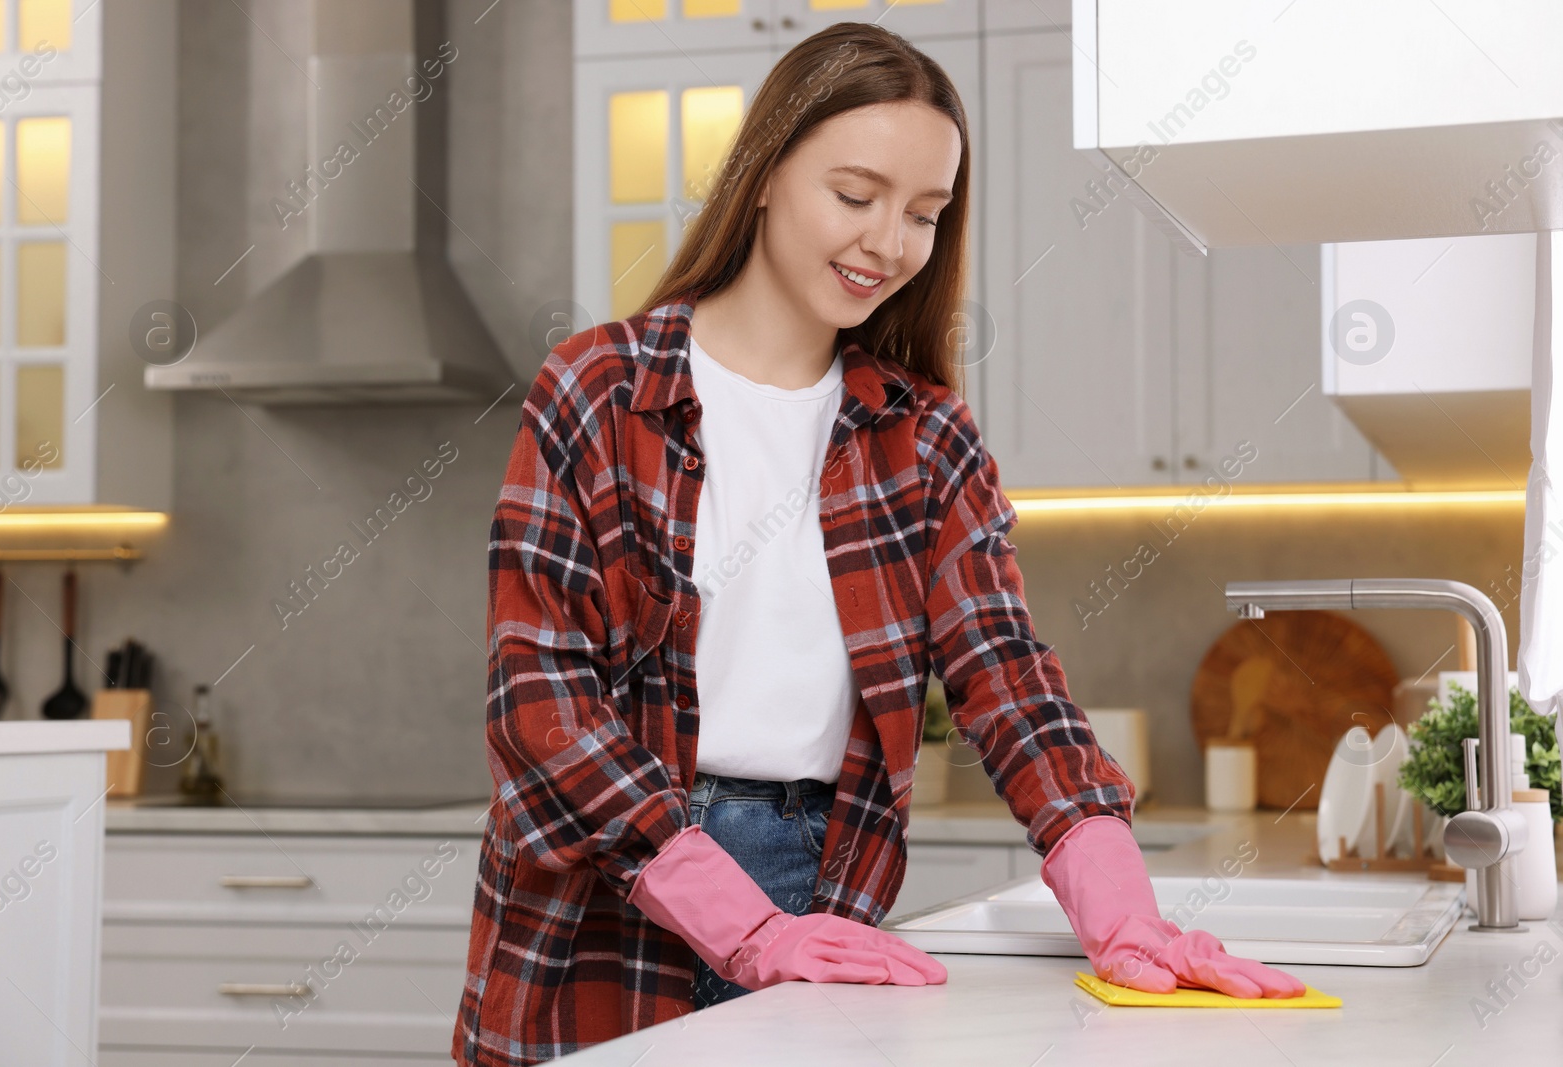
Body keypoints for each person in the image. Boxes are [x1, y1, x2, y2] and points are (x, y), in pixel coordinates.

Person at [453, 21, 1304, 1067]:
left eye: (923, 214)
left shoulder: (925, 435)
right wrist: (734, 917)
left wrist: (1119, 902)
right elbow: (539, 696)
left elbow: (1006, 675)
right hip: (609, 892)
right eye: (854, 197)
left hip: (824, 881)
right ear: (761, 175)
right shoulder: (600, 389)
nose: (888, 243)